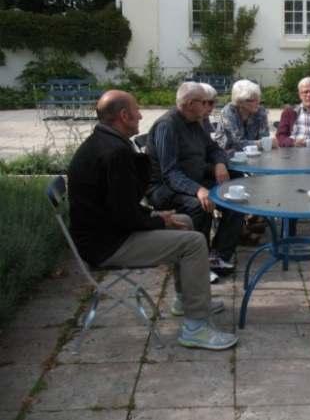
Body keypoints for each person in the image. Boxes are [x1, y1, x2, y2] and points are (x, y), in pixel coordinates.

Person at [67, 90, 238, 350]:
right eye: (136, 110)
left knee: (186, 221)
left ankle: (185, 300)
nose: (140, 115)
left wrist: (156, 216)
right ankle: (196, 328)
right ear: (123, 116)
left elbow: (118, 206)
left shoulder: (105, 142)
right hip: (106, 245)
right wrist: (159, 220)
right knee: (192, 243)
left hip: (107, 231)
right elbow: (123, 216)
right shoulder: (114, 152)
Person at [145, 82, 243, 273]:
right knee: (199, 205)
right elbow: (170, 173)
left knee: (237, 194)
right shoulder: (168, 126)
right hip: (164, 189)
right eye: (205, 102)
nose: (208, 107)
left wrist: (220, 164)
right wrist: (198, 190)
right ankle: (197, 260)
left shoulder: (194, 123)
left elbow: (213, 149)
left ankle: (218, 255)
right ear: (190, 103)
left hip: (193, 179)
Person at [214, 79, 277, 151]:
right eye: (253, 100)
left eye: (258, 99)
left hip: (254, 154)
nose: (258, 102)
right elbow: (236, 144)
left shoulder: (260, 111)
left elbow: (265, 138)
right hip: (227, 155)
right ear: (240, 101)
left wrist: (267, 142)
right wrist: (261, 144)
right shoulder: (229, 112)